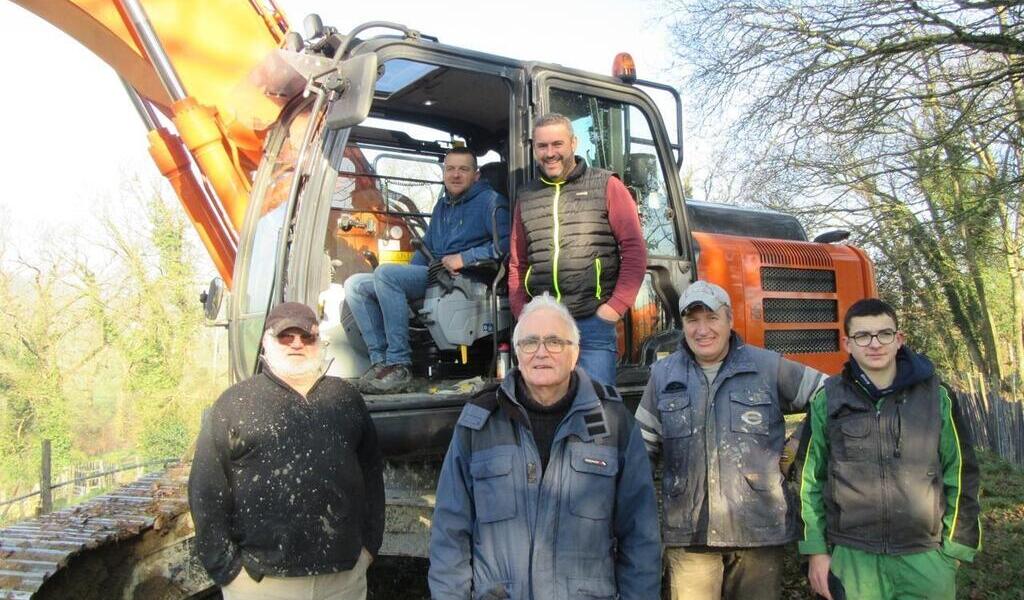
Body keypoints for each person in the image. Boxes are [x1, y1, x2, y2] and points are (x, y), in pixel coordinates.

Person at [428, 293, 661, 599]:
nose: (541, 352)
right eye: (529, 342)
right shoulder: (479, 425)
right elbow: (450, 533)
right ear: (517, 353)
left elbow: (639, 537)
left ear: (574, 353)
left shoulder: (612, 424)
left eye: (554, 341)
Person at [634, 281, 824, 600]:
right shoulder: (663, 376)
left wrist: (796, 445)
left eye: (712, 318)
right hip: (690, 534)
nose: (702, 329)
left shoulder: (767, 366)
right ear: (682, 325)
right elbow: (640, 447)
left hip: (759, 529)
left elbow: (829, 395)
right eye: (692, 320)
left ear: (730, 320)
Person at [188, 302, 385, 600]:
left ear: (319, 342)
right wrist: (229, 572)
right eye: (286, 336)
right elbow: (206, 491)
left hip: (343, 581)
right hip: (262, 584)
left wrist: (369, 548)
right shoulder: (234, 404)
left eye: (307, 336)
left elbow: (372, 475)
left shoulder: (346, 399)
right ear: (267, 341)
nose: (297, 343)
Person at [799, 298, 981, 600]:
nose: (875, 344)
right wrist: (815, 551)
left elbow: (962, 474)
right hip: (854, 560)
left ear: (899, 340)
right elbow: (809, 481)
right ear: (848, 343)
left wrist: (954, 552)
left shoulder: (937, 397)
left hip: (925, 558)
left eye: (884, 334)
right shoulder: (826, 400)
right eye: (862, 336)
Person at [345, 147, 510, 393]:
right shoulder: (444, 206)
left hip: (467, 279)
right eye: (450, 169)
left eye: (463, 169)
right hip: (436, 275)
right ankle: (381, 363)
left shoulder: (491, 202)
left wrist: (465, 258)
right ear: (444, 173)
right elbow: (428, 247)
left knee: (386, 275)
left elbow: (507, 244)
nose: (455, 175)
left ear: (476, 175)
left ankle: (399, 363)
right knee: (356, 285)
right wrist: (406, 277)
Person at [508, 113, 648, 387]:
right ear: (534, 149)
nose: (550, 153)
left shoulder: (607, 185)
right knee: (547, 408)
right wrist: (522, 311)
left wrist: (614, 308)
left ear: (573, 143)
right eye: (542, 146)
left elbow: (634, 250)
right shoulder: (526, 196)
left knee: (595, 409)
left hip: (592, 324)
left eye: (557, 144)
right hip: (543, 326)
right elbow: (517, 262)